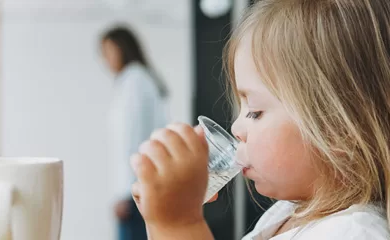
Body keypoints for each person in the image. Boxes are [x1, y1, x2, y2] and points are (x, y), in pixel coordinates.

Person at [129, 0, 390, 239]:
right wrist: (159, 217)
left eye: (254, 111)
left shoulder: (352, 233)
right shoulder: (287, 213)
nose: (236, 127)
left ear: (338, 130)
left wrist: (177, 224)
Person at [100, 26, 168, 240]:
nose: (106, 60)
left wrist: (124, 192)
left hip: (136, 188)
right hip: (142, 183)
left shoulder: (134, 81)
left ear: (123, 49)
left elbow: (131, 140)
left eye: (109, 51)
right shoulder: (138, 80)